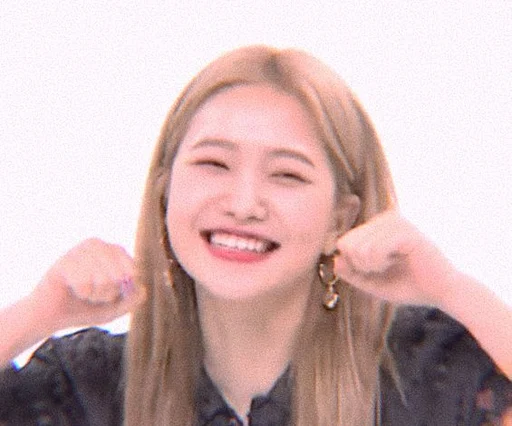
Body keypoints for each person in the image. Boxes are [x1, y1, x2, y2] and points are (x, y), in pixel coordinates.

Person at [0, 45, 511, 426]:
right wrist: (39, 313)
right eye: (214, 164)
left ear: (341, 218)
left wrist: (451, 288)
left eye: (287, 174)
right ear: (165, 192)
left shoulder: (423, 370)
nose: (244, 204)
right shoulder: (91, 386)